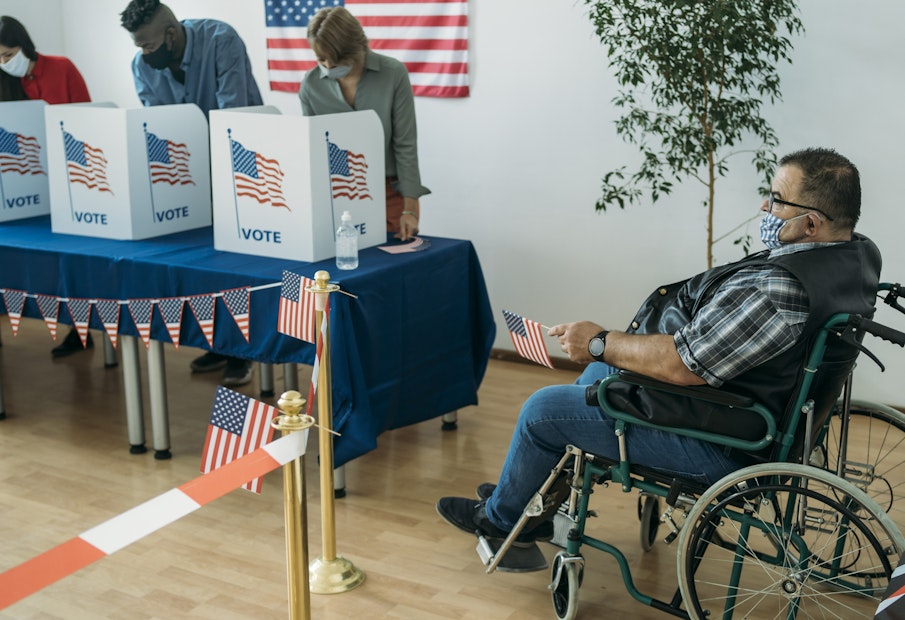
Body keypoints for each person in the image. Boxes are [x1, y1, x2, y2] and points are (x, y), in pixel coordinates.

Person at [437, 147, 881, 552]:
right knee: (598, 380)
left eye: (777, 199)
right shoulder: (852, 256)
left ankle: (499, 521)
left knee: (543, 410)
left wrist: (599, 342)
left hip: (732, 443)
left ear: (811, 224)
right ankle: (524, 498)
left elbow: (684, 364)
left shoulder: (780, 290)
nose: (764, 207)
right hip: (749, 412)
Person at [120, 0, 263, 387]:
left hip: (238, 165)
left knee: (240, 269)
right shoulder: (142, 67)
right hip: (189, 174)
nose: (144, 56)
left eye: (149, 46)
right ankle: (219, 343)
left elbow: (232, 115)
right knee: (201, 266)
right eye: (138, 48)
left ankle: (247, 352)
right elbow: (160, 126)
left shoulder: (221, 40)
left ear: (170, 34)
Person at [1, 15, 95, 358]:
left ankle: (81, 329)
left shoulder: (61, 67)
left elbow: (89, 116)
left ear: (24, 46)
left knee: (70, 257)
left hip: (68, 176)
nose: (5, 63)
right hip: (25, 180)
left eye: (9, 54)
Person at [299, 6, 429, 241]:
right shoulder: (311, 84)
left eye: (337, 60)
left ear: (357, 49)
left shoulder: (392, 73)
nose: (328, 66)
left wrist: (410, 208)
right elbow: (312, 151)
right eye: (321, 59)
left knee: (391, 265)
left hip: (389, 190)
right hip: (335, 193)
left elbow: (405, 145)